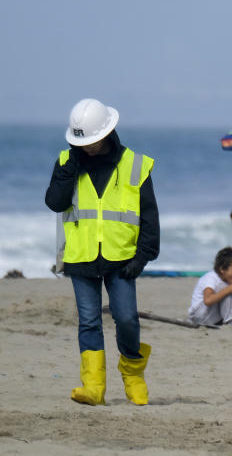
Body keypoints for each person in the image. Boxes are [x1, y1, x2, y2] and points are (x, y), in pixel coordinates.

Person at [44, 98, 159, 406]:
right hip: (80, 256)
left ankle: (133, 374)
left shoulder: (135, 164)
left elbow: (149, 214)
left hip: (121, 257)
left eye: (93, 141)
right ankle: (93, 387)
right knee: (90, 321)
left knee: (126, 319)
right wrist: (69, 171)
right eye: (83, 142)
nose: (89, 147)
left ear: (107, 132)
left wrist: (143, 255)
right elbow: (55, 202)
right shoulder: (67, 162)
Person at [187, 247, 232, 326]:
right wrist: (229, 289)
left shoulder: (228, 280)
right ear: (222, 269)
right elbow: (208, 301)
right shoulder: (211, 278)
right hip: (200, 315)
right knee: (226, 294)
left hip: (213, 316)